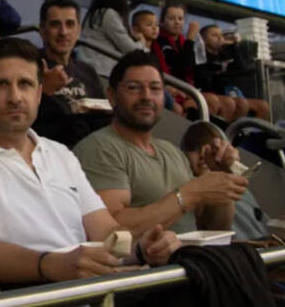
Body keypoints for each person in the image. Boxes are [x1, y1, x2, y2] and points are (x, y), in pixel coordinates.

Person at [0, 38, 180, 286]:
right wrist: (53, 265)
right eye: (1, 84)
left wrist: (141, 248)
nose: (15, 97)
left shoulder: (60, 154)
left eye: (26, 84)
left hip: (90, 290)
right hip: (29, 295)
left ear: (39, 94)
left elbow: (106, 232)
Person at [73, 50, 248, 235]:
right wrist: (190, 194)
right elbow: (111, 230)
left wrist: (221, 177)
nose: (146, 96)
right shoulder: (99, 148)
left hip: (196, 259)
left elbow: (213, 228)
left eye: (155, 88)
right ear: (112, 95)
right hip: (156, 264)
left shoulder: (172, 152)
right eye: (134, 87)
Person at [33, 0, 110, 147]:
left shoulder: (88, 72)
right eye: (55, 25)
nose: (63, 32)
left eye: (70, 24)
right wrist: (45, 91)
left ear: (78, 30)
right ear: (42, 30)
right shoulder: (29, 66)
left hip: (86, 152)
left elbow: (102, 120)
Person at [180, 121, 270, 240]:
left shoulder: (241, 188)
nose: (203, 154)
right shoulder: (184, 191)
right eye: (194, 148)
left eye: (212, 147)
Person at [155, 4, 237, 120]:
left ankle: (226, 135)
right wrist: (190, 38)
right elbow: (181, 67)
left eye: (180, 19)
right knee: (212, 101)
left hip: (190, 88)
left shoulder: (183, 41)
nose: (177, 22)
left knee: (230, 103)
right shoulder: (160, 41)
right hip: (174, 89)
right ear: (162, 21)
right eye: (171, 18)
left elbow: (197, 69)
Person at [76, 0, 145, 77]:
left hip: (90, 70)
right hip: (100, 72)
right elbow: (130, 49)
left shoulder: (95, 13)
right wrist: (141, 42)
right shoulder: (108, 15)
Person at [195, 24, 270, 119]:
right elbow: (205, 79)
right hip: (212, 94)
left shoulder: (225, 55)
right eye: (214, 35)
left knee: (263, 106)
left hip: (230, 92)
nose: (219, 38)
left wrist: (234, 47)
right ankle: (230, 132)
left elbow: (242, 69)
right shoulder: (201, 56)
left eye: (221, 35)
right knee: (238, 103)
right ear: (203, 40)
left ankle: (256, 132)